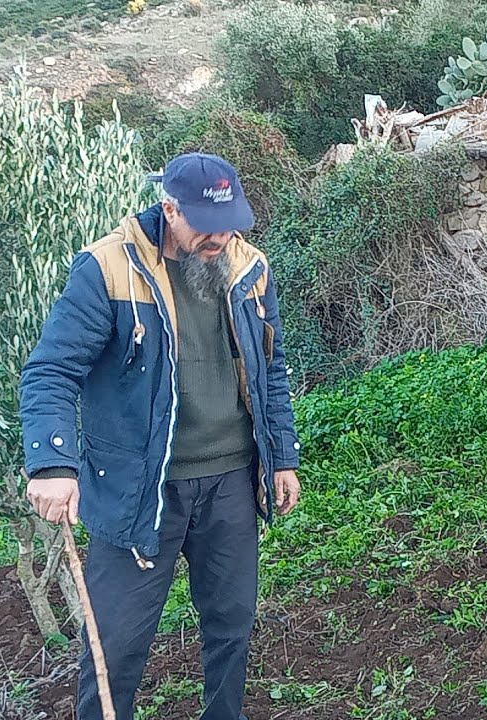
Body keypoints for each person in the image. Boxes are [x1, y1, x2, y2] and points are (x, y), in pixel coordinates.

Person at [19, 152, 303, 720]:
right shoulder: (107, 269)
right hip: (138, 489)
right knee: (117, 643)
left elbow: (268, 370)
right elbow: (51, 371)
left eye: (230, 221)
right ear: (169, 208)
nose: (220, 235)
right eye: (205, 221)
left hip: (229, 482)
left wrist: (281, 457)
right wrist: (52, 464)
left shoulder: (250, 267)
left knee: (232, 626)